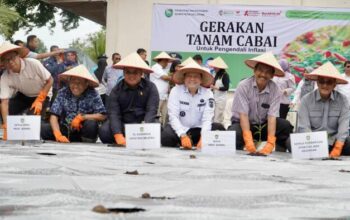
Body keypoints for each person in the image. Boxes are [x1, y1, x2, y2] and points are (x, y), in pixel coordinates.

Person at [228, 52, 293, 155]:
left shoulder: (275, 89)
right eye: (260, 70)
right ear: (254, 70)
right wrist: (248, 139)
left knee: (285, 125)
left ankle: (280, 154)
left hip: (263, 125)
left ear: (272, 75)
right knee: (234, 133)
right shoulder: (243, 86)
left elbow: (272, 117)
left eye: (267, 72)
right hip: (243, 124)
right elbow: (243, 115)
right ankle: (238, 158)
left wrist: (271, 142)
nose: (263, 74)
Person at [287, 62, 350, 158]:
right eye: (321, 81)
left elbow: (344, 126)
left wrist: (338, 146)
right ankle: (321, 152)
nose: (325, 85)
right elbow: (304, 126)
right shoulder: (306, 100)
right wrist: (315, 146)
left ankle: (334, 151)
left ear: (334, 84)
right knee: (290, 142)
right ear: (317, 83)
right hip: (312, 142)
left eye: (329, 82)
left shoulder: (343, 100)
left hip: (334, 141)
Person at [161, 60, 225, 149]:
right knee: (166, 137)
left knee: (219, 129)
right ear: (184, 78)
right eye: (189, 76)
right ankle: (184, 142)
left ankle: (195, 142)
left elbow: (207, 118)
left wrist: (205, 138)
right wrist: (182, 135)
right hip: (180, 129)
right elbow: (173, 116)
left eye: (196, 76)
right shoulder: (175, 91)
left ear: (201, 79)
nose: (192, 79)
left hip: (198, 130)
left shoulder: (208, 93)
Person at [99, 52, 159, 145]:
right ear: (123, 73)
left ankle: (135, 139)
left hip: (143, 123)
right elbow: (114, 114)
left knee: (160, 132)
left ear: (141, 73)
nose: (131, 76)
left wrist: (144, 127)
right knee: (104, 131)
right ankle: (122, 138)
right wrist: (117, 133)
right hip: (123, 124)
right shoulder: (116, 90)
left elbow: (151, 109)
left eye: (135, 72)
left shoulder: (151, 87)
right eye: (128, 72)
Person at [0, 42, 53, 140]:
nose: (10, 62)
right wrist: (6, 125)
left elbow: (50, 80)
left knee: (31, 121)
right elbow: (4, 102)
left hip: (42, 94)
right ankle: (11, 131)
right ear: (3, 63)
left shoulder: (33, 63)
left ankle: (47, 124)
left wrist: (40, 99)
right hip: (24, 94)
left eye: (12, 58)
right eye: (6, 60)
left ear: (18, 56)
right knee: (8, 110)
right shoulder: (5, 77)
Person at [41, 65, 106, 143]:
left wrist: (82, 117)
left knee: (91, 125)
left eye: (79, 83)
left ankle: (86, 145)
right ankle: (61, 138)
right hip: (66, 128)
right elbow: (54, 115)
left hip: (83, 130)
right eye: (72, 82)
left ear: (86, 84)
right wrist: (57, 134)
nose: (75, 86)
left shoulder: (93, 93)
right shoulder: (63, 92)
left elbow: (102, 115)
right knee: (44, 128)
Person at [150, 51, 174, 126]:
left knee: (164, 116)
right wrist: (176, 77)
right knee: (156, 116)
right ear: (163, 60)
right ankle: (156, 133)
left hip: (164, 96)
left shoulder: (163, 69)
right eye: (167, 61)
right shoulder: (155, 67)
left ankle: (163, 133)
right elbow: (165, 78)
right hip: (157, 96)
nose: (167, 63)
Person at [209, 57, 230, 124]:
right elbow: (213, 85)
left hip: (221, 99)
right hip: (214, 98)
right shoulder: (216, 75)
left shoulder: (225, 75)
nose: (214, 68)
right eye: (214, 67)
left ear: (220, 67)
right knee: (212, 116)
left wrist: (216, 88)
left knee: (218, 118)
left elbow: (226, 88)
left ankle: (218, 131)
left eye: (215, 67)